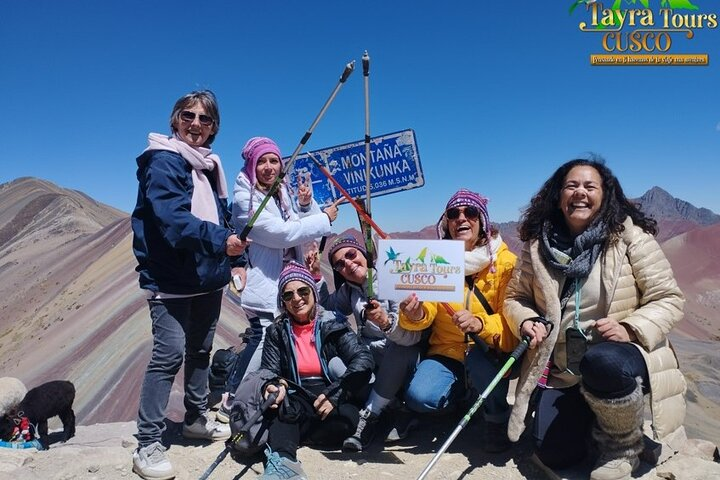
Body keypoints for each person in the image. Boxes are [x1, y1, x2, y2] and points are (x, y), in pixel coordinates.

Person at [504, 158, 686, 480]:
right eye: (571, 186)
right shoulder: (536, 248)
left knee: (602, 363)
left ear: (605, 195)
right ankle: (596, 421)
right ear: (558, 196)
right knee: (554, 455)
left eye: (590, 186)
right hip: (563, 369)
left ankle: (622, 447)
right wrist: (526, 321)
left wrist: (630, 328)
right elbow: (515, 298)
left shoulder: (630, 239)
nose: (580, 193)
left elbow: (669, 298)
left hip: (619, 353)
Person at [131, 90, 247, 480]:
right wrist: (221, 243)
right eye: (188, 115)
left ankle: (196, 419)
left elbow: (222, 216)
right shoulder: (163, 161)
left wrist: (237, 258)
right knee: (169, 355)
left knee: (199, 350)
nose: (196, 123)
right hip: (171, 280)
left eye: (205, 119)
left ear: (214, 128)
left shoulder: (210, 165)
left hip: (207, 278)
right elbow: (172, 220)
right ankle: (148, 441)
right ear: (175, 120)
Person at [219, 137, 341, 419]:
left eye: (274, 160)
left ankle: (260, 391)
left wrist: (306, 204)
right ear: (251, 165)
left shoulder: (280, 192)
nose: (268, 167)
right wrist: (323, 218)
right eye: (261, 161)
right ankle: (233, 398)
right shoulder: (244, 199)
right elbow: (282, 234)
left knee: (275, 338)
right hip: (262, 281)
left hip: (285, 279)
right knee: (261, 337)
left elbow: (297, 223)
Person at [398, 189, 518, 452]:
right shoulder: (436, 262)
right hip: (447, 351)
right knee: (420, 397)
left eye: (470, 212)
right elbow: (428, 309)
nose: (461, 218)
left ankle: (497, 419)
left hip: (489, 350)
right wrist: (415, 314)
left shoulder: (506, 264)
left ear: (482, 221)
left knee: (479, 361)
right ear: (447, 223)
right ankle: (463, 398)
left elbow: (512, 320)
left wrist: (480, 325)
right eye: (453, 214)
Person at [254, 261, 374, 478]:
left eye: (303, 291)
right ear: (283, 302)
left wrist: (336, 394)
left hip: (329, 389)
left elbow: (363, 359)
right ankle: (284, 462)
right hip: (295, 392)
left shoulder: (333, 324)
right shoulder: (276, 331)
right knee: (280, 412)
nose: (297, 299)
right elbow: (269, 370)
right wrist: (272, 386)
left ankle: (293, 435)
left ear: (313, 292)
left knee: (348, 420)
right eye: (288, 295)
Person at [306, 236, 422, 451]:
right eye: (339, 264)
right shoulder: (350, 290)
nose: (347, 264)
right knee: (335, 364)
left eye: (351, 255)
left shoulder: (394, 278)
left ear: (364, 254)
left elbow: (411, 338)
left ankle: (370, 415)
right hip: (372, 355)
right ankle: (394, 410)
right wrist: (316, 276)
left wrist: (385, 323)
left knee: (399, 348)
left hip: (402, 354)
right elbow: (327, 309)